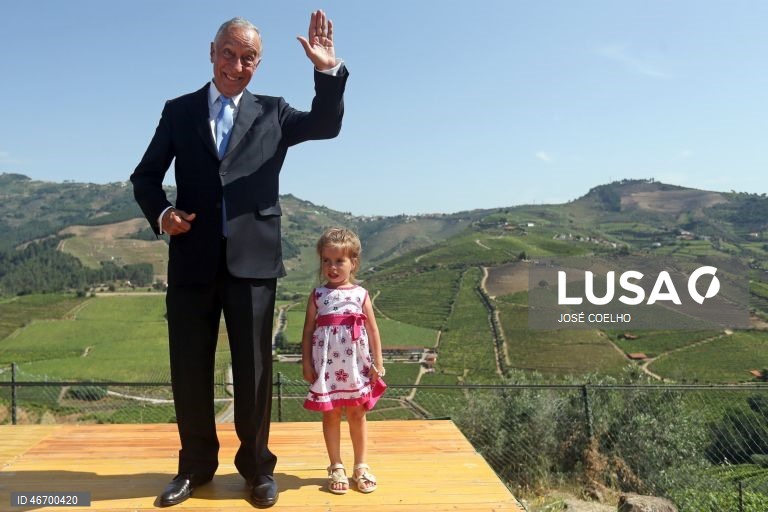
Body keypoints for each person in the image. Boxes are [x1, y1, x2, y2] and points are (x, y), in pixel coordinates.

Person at [130, 10, 348, 508]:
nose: (236, 64)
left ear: (259, 64)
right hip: (191, 260)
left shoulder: (275, 112)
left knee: (254, 372)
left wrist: (327, 71)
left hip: (254, 264)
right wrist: (162, 213)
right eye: (228, 52)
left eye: (248, 57)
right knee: (188, 368)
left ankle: (256, 470)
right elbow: (145, 176)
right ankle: (194, 468)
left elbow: (327, 125)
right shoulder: (179, 111)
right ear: (211, 52)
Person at [301, 227, 386, 494]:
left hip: (355, 367)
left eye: (339, 261)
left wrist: (378, 363)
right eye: (327, 261)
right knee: (331, 415)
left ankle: (361, 465)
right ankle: (336, 465)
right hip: (327, 368)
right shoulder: (317, 295)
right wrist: (306, 363)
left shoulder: (361, 294)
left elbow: (373, 330)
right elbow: (307, 332)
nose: (332, 267)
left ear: (353, 263)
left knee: (358, 414)